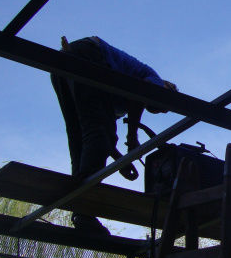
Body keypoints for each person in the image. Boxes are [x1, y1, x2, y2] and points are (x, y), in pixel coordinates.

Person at [51, 36, 177, 235]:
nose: (162, 109)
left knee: (80, 137)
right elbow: (142, 93)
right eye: (164, 105)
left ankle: (80, 210)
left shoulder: (116, 102)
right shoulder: (155, 79)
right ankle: (84, 209)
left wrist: (121, 161)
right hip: (90, 54)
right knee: (93, 134)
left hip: (64, 62)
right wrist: (132, 139)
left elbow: (103, 139)